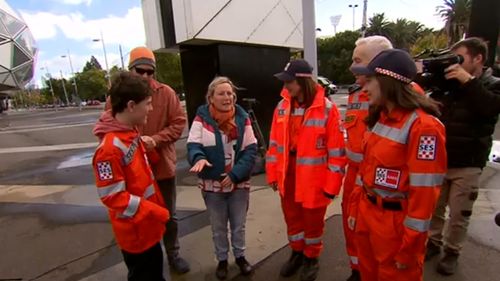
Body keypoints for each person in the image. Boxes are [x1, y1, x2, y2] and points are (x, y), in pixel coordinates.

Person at [348, 49, 447, 281]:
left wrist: (410, 246)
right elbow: (365, 170)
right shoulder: (379, 118)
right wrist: (355, 208)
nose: (364, 88)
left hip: (395, 226)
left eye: (370, 80)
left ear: (388, 82)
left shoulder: (424, 128)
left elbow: (424, 197)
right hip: (368, 214)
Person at [266, 59, 346, 281]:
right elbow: (273, 145)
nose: (286, 86)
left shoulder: (328, 110)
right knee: (292, 218)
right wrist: (273, 174)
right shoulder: (282, 107)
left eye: (289, 81)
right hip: (287, 173)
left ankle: (311, 257)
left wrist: (331, 187)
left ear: (302, 81)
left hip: (314, 179)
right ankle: (297, 252)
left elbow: (338, 153)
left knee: (312, 221)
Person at [427, 37, 500, 275]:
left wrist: (467, 81)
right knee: (434, 209)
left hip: (468, 162)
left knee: (459, 215)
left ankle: (452, 252)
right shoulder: (450, 85)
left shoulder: (492, 83)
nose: (454, 64)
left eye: (460, 58)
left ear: (478, 58)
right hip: (440, 160)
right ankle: (433, 242)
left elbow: (489, 108)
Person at [92, 72, 169, 281]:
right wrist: (154, 211)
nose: (151, 109)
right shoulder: (108, 150)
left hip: (147, 227)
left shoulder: (130, 134)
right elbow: (113, 197)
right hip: (136, 234)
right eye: (148, 103)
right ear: (131, 105)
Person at [125, 46, 190, 273]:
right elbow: (109, 124)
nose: (144, 76)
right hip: (132, 171)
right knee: (139, 216)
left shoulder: (166, 93)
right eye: (139, 71)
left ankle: (174, 254)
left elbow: (179, 123)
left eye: (149, 71)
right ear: (130, 70)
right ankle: (147, 261)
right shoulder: (118, 95)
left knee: (168, 216)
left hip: (161, 166)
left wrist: (155, 140)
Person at [187, 76, 257, 280]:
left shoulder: (243, 118)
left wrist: (235, 175)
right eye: (221, 93)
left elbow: (251, 150)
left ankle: (241, 257)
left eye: (229, 93)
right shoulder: (201, 119)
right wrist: (198, 158)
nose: (227, 97)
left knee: (238, 225)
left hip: (239, 184)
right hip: (212, 186)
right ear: (211, 97)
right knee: (218, 227)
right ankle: (222, 260)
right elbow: (193, 145)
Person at [343, 35, 393, 281]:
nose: (352, 67)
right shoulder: (355, 95)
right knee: (353, 228)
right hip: (355, 177)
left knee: (383, 243)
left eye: (357, 60)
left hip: (384, 184)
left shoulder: (401, 95)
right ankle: (357, 269)